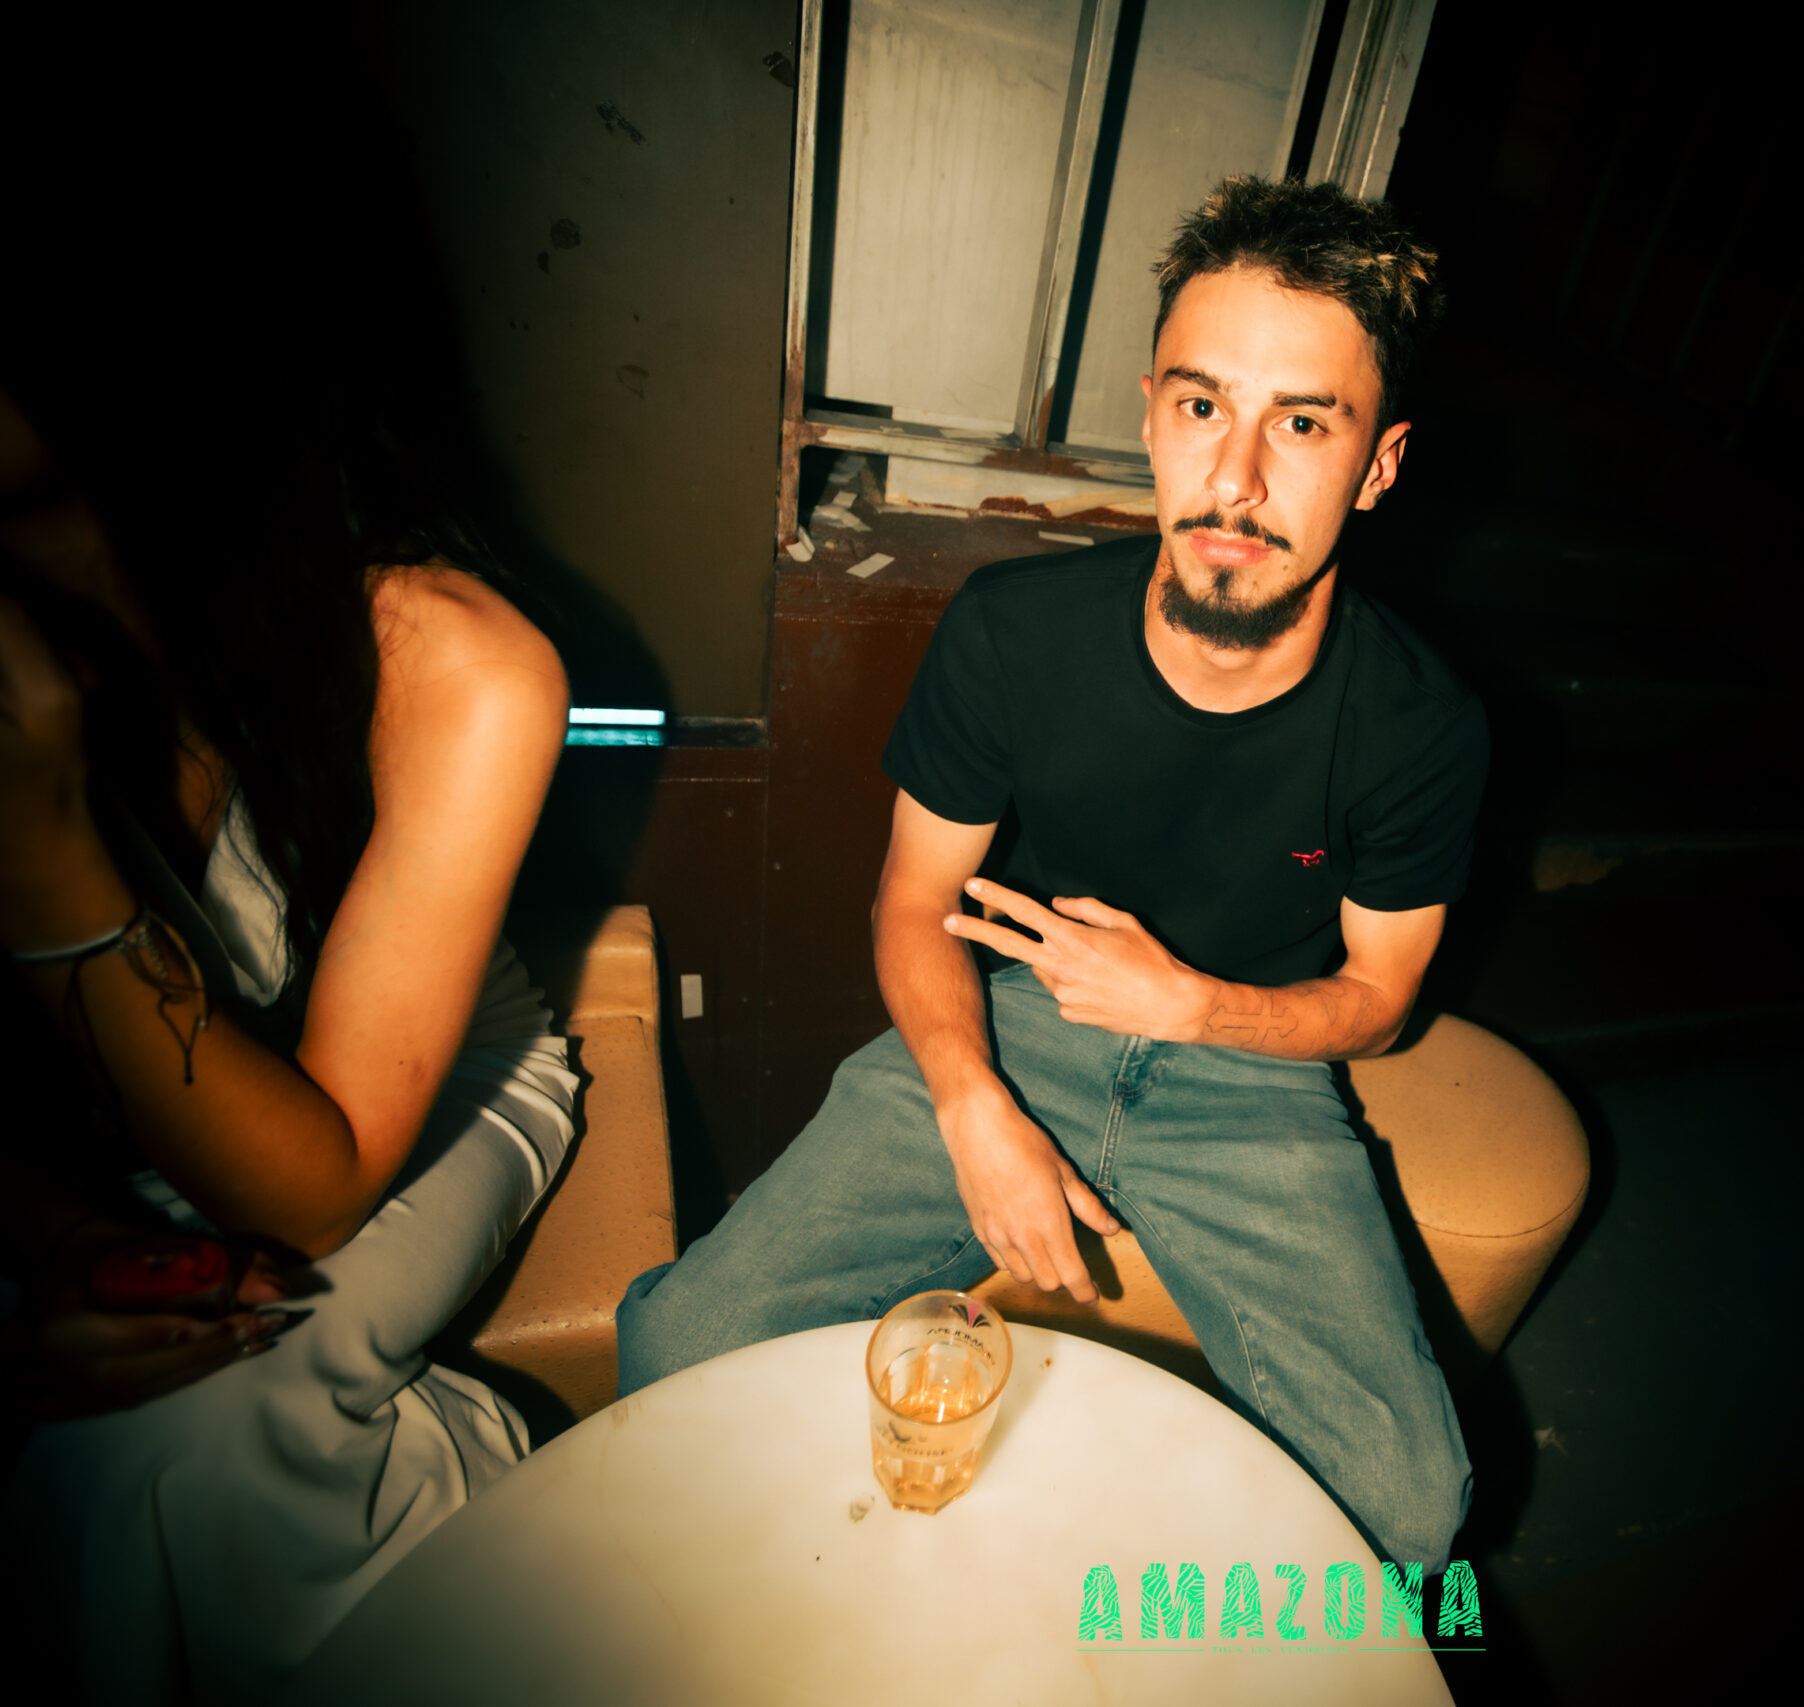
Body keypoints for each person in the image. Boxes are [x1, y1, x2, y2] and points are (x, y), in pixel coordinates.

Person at [618, 175, 1485, 1569]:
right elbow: (913, 902)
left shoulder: (1421, 723)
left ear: (1377, 465)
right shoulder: (1012, 632)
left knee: (1409, 1501)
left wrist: (1192, 1005)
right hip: (1014, 1018)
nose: (1236, 479)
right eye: (1201, 406)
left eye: (1302, 423)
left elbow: (1381, 1000)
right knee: (679, 1345)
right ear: (1150, 413)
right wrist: (973, 1106)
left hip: (1252, 1078)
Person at [0, 337, 576, 1697]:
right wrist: (63, 1239)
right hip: (73, 1150)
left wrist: (47, 858)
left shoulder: (445, 653)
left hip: (421, 1096)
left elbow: (311, 1195)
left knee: (160, 1452)